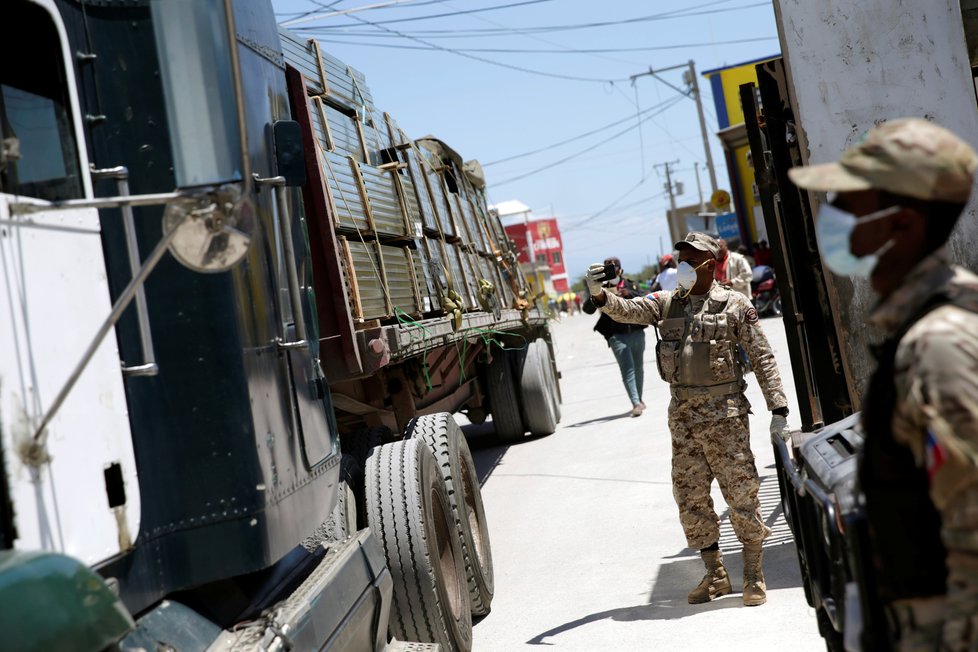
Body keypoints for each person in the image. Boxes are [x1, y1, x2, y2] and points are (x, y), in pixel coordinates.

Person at [789, 117, 978, 650]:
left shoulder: (938, 344)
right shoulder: (924, 325)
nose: (837, 216)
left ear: (903, 224)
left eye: (852, 204)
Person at [586, 233, 791, 607]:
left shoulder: (735, 305)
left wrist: (778, 410)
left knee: (742, 495)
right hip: (683, 419)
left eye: (689, 260)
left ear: (709, 266)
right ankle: (715, 575)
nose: (681, 266)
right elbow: (627, 310)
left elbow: (762, 357)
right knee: (691, 498)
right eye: (680, 258)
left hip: (726, 416)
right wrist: (601, 296)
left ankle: (753, 575)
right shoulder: (668, 304)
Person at [582, 256, 648, 417]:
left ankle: (639, 398)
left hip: (637, 332)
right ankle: (635, 403)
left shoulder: (629, 284)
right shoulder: (600, 289)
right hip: (617, 336)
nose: (612, 269)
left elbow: (645, 298)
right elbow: (587, 309)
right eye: (607, 268)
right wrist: (596, 292)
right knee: (628, 370)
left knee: (639, 368)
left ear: (620, 268)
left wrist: (629, 293)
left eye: (614, 266)